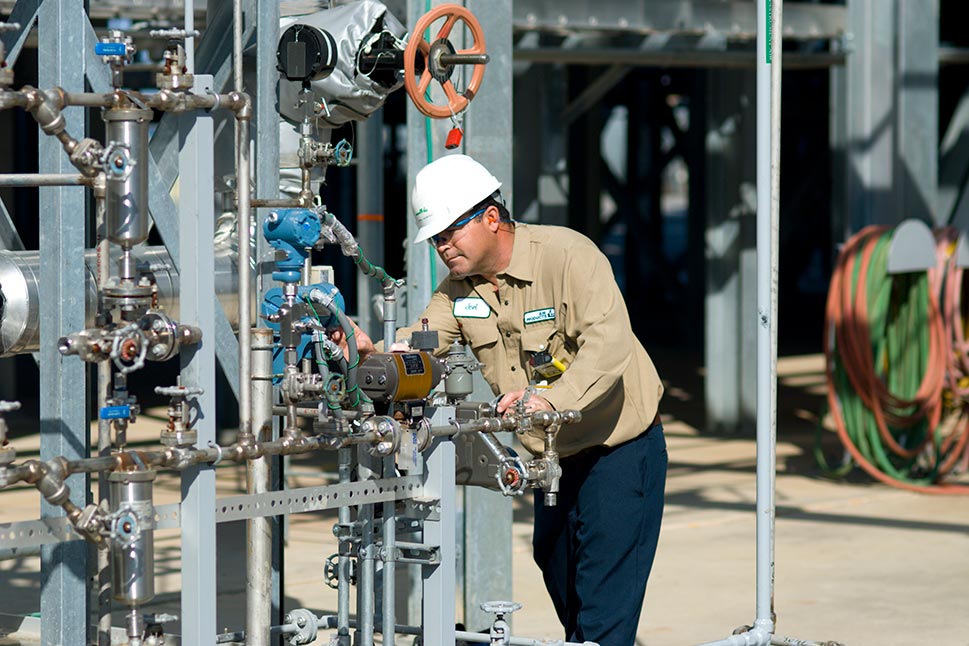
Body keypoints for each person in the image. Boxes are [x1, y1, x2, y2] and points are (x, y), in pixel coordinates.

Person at [348, 153, 667, 646]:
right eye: (435, 238)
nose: (442, 246)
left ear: (491, 217)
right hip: (552, 459)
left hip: (618, 449)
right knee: (564, 583)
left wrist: (549, 399)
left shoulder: (567, 257)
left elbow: (609, 345)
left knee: (603, 610)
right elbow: (423, 340)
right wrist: (379, 358)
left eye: (450, 232)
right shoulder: (458, 290)